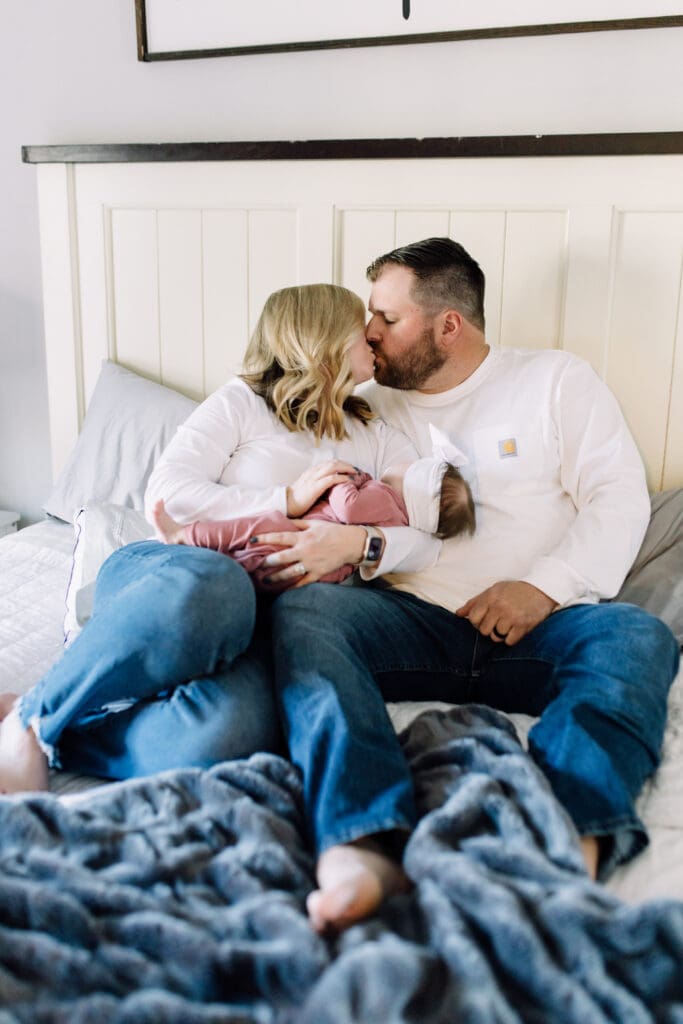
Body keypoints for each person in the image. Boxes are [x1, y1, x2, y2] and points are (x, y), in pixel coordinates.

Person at [258, 238, 680, 934]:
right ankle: (361, 839)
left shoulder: (552, 381)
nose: (367, 333)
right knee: (306, 616)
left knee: (636, 635)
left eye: (385, 319)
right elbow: (278, 455)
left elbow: (618, 498)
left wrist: (540, 588)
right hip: (409, 620)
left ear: (448, 325)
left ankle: (566, 843)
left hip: (544, 627)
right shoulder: (365, 404)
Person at [0, 283, 439, 795]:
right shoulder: (243, 403)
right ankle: (33, 720)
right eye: (359, 328)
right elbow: (168, 496)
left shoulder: (374, 433)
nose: (371, 336)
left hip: (266, 621)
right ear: (323, 342)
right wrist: (286, 499)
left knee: (226, 735)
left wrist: (359, 545)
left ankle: (51, 727)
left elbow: (426, 534)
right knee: (218, 586)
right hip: (179, 574)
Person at [150, 448, 475, 594]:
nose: (406, 461)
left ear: (412, 487)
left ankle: (187, 535)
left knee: (256, 527)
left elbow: (347, 509)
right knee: (255, 563)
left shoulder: (386, 499)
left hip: (302, 537)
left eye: (414, 465)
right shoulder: (396, 519)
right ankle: (218, 565)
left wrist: (341, 478)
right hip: (321, 571)